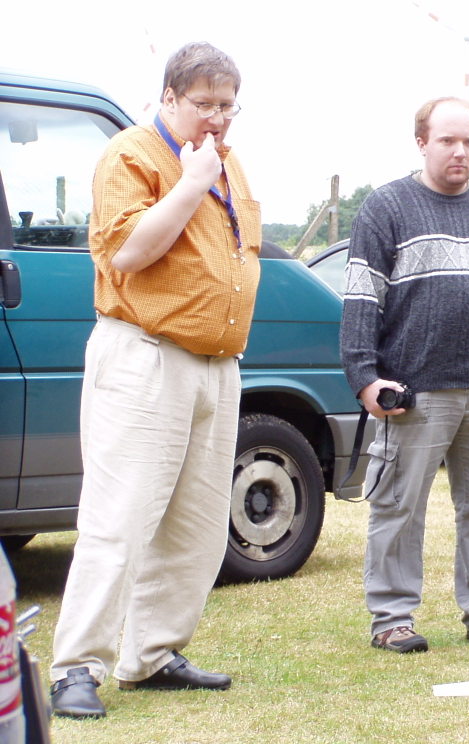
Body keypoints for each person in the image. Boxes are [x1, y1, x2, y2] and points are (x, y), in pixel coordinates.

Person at [49, 42, 261, 717]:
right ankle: (75, 667)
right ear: (169, 97)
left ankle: (153, 654)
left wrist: (208, 173)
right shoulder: (132, 155)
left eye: (228, 106)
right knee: (118, 521)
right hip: (145, 356)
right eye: (205, 104)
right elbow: (130, 252)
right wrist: (192, 182)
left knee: (197, 527)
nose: (217, 118)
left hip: (216, 366)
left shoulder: (227, 163)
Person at [340, 97, 469, 653]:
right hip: (415, 389)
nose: (460, 152)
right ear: (421, 142)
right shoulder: (386, 207)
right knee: (398, 508)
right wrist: (365, 377)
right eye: (448, 140)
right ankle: (392, 618)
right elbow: (361, 299)